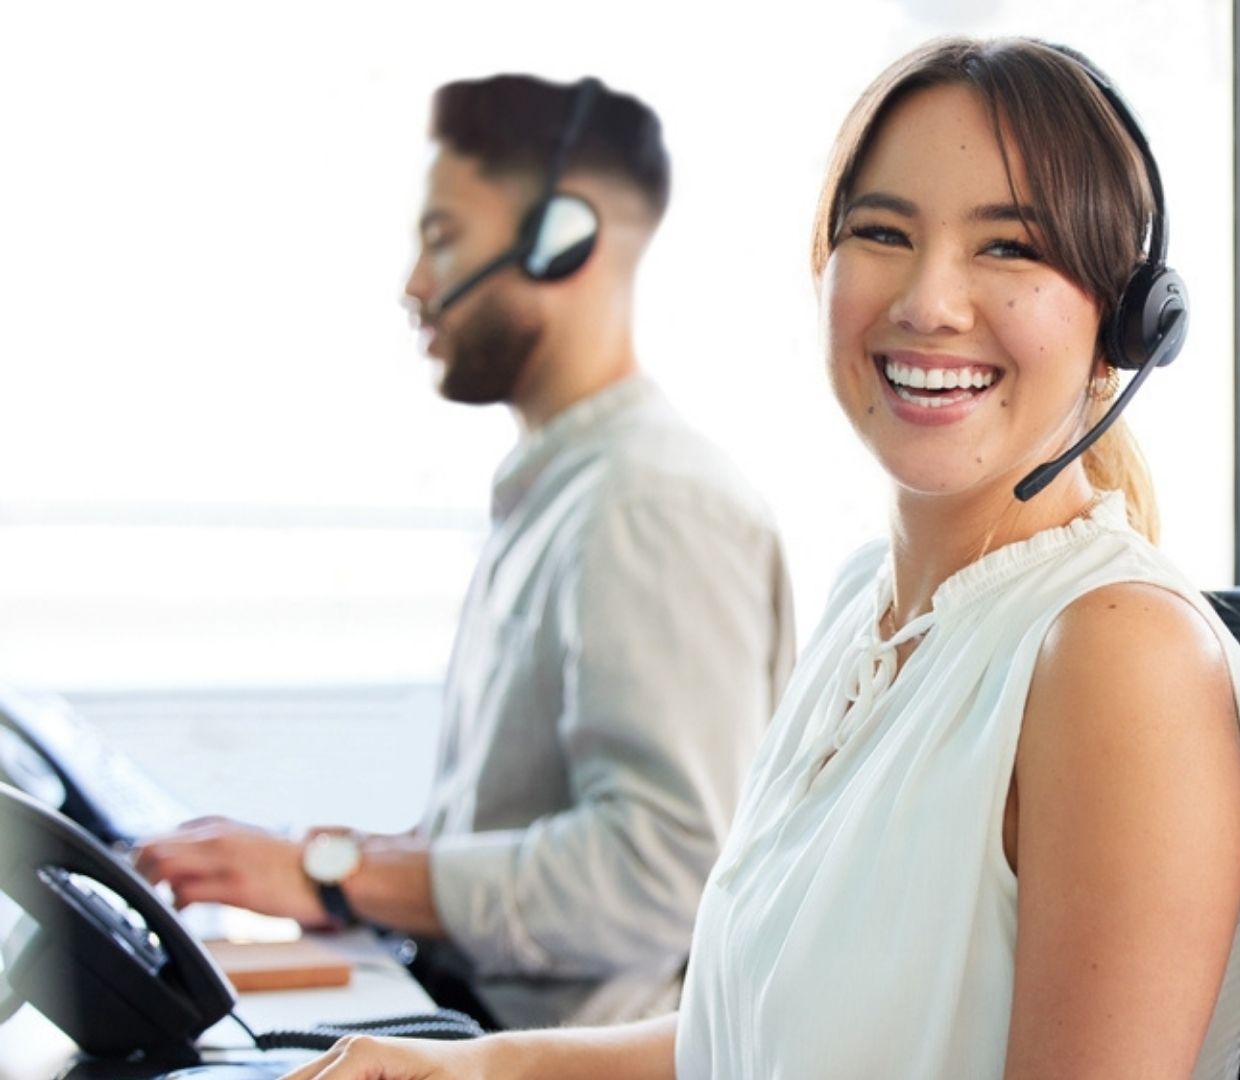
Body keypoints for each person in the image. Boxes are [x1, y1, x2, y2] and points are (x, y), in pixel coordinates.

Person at [279, 37, 1240, 1080]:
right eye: (882, 233)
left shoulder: (1118, 656)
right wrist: (472, 1069)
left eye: (1008, 249)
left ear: (1127, 325)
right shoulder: (870, 606)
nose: (928, 302)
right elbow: (737, 1042)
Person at [135, 74, 796, 1030]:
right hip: (475, 1014)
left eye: (442, 239)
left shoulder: (648, 502)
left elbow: (663, 872)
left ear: (561, 240)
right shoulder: (563, 489)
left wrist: (336, 875)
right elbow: (509, 832)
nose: (413, 283)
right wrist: (312, 865)